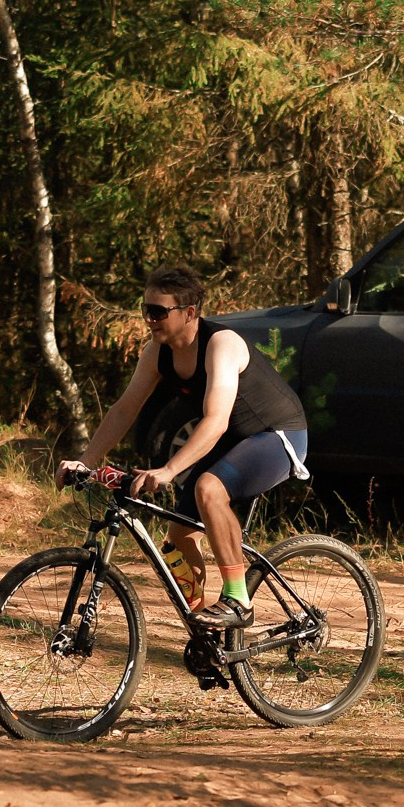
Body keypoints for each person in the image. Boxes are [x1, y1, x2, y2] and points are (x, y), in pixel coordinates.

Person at [59, 265, 310, 686]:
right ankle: (207, 635)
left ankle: (237, 600)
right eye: (146, 310)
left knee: (210, 488)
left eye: (159, 311)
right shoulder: (157, 353)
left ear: (189, 312)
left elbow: (214, 420)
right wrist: (86, 460)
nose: (149, 319)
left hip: (277, 435)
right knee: (178, 541)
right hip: (233, 442)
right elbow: (124, 409)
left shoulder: (222, 344)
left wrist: (170, 469)